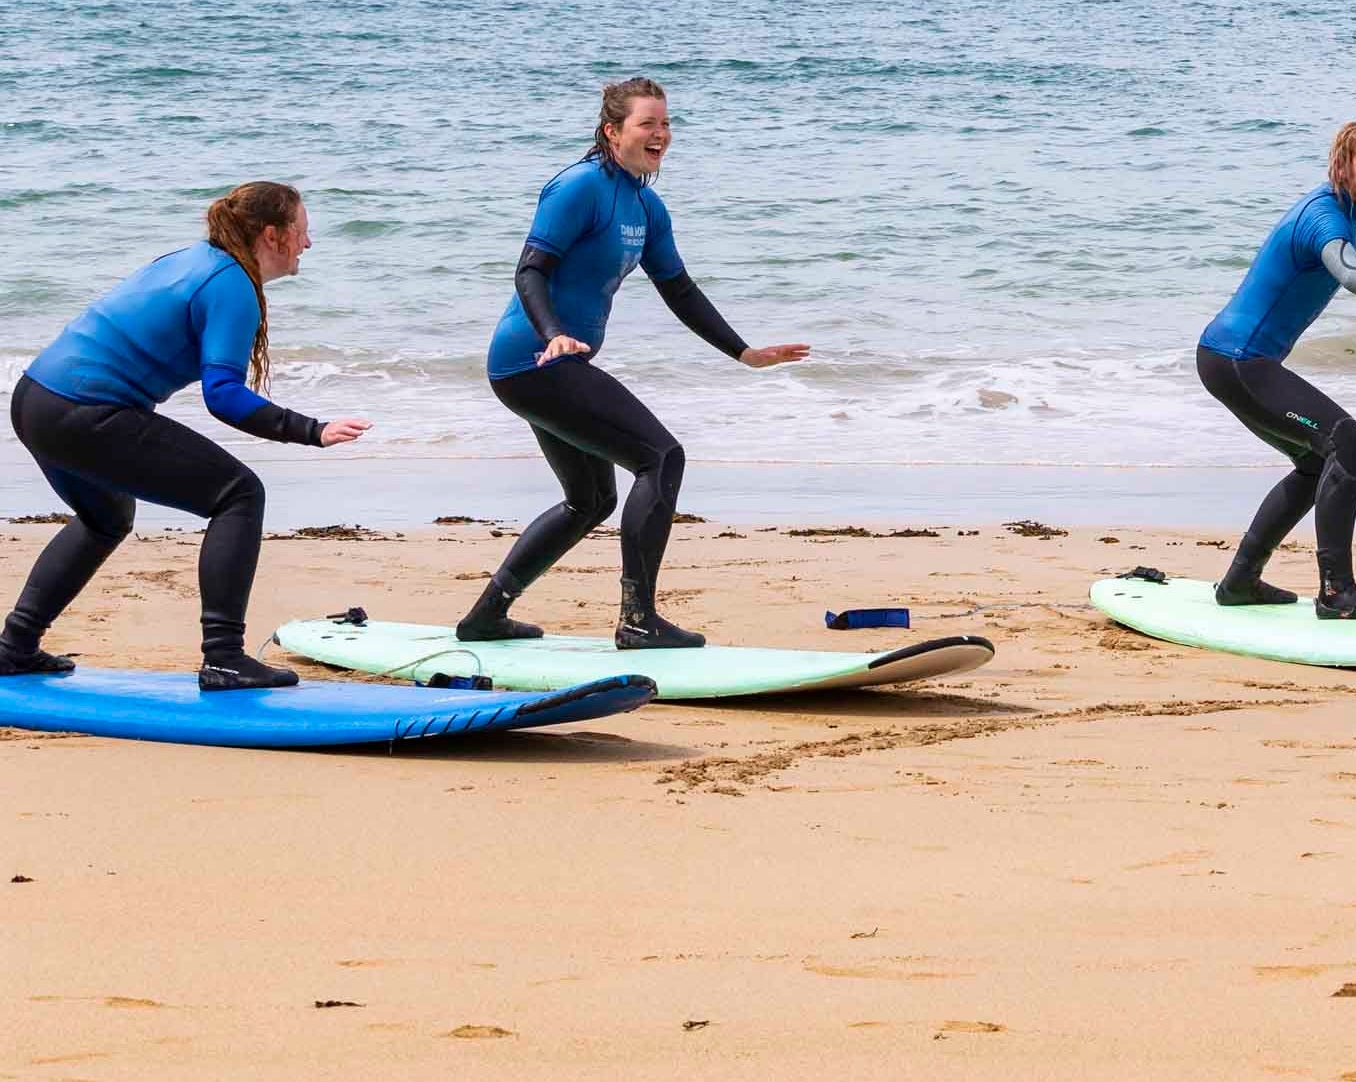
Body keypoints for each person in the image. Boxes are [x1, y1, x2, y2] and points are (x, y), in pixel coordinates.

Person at [457, 78, 809, 648]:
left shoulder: (646, 204)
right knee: (661, 457)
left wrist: (743, 352)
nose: (661, 135)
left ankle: (485, 617)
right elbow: (530, 270)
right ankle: (639, 620)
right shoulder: (578, 188)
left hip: (542, 366)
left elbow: (679, 289)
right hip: (533, 360)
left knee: (591, 499)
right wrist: (554, 335)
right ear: (612, 131)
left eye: (666, 124)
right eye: (648, 124)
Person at [2, 182, 371, 687]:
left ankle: (14, 648)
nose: (308, 243)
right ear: (273, 235)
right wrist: (312, 430)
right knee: (239, 494)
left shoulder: (193, 259)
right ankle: (223, 657)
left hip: (36, 399)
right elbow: (222, 395)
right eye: (303, 231)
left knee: (105, 518)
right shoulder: (230, 284)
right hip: (84, 409)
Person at [1196, 121, 1356, 620]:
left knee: (1316, 461)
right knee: (1347, 440)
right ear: (1343, 166)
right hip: (1239, 361)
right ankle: (1337, 592)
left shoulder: (1336, 208)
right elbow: (1344, 265)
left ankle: (1240, 583)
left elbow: (1354, 246)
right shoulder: (1325, 217)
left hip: (1226, 359)